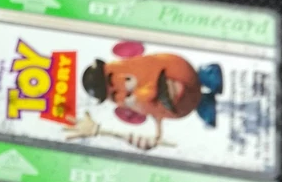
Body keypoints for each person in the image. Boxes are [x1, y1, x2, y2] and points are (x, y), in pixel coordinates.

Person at [67, 45, 222, 152]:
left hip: (187, 74)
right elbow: (153, 141)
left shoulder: (140, 64)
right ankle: (205, 103)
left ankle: (208, 77)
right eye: (116, 95)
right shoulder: (139, 105)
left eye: (113, 80)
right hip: (188, 107)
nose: (150, 94)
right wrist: (100, 131)